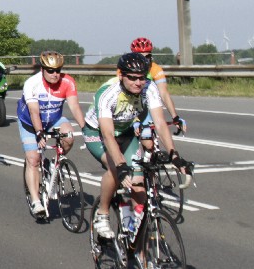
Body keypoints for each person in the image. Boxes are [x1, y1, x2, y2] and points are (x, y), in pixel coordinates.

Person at [83, 53, 188, 239]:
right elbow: (108, 135)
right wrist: (121, 165)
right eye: (132, 78)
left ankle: (135, 233)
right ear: (121, 75)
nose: (138, 83)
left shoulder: (149, 88)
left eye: (141, 77)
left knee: (138, 183)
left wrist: (174, 155)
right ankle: (102, 213)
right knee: (115, 169)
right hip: (97, 133)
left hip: (126, 132)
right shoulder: (108, 94)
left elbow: (160, 124)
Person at [17, 51, 88, 216]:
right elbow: (34, 112)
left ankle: (53, 164)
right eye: (50, 71)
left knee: (69, 135)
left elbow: (75, 107)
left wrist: (85, 128)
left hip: (54, 119)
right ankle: (36, 201)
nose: (55, 74)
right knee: (33, 159)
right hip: (30, 122)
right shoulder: (32, 83)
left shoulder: (67, 82)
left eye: (58, 70)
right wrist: (39, 133)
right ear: (42, 69)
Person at [129, 37, 186, 137]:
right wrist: (134, 120)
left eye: (147, 56)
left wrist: (175, 117)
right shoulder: (126, 69)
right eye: (141, 56)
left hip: (146, 103)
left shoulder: (155, 69)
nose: (145, 60)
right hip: (129, 105)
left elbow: (163, 93)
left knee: (148, 139)